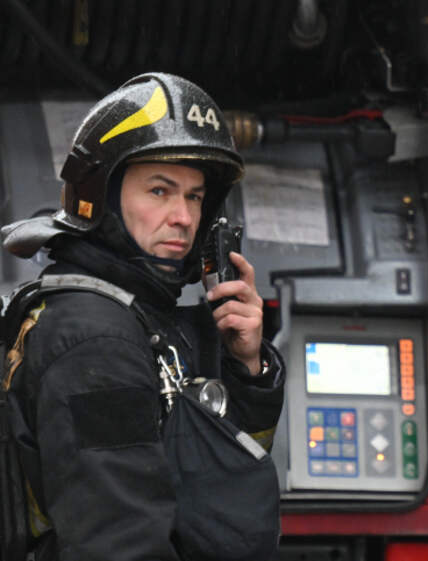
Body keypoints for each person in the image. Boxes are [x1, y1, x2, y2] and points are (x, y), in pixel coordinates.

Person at [0, 73, 284, 560]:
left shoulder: (142, 318)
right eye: (159, 191)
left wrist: (246, 368)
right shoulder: (96, 339)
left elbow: (217, 483)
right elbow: (121, 544)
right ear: (103, 198)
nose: (184, 217)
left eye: (194, 196)